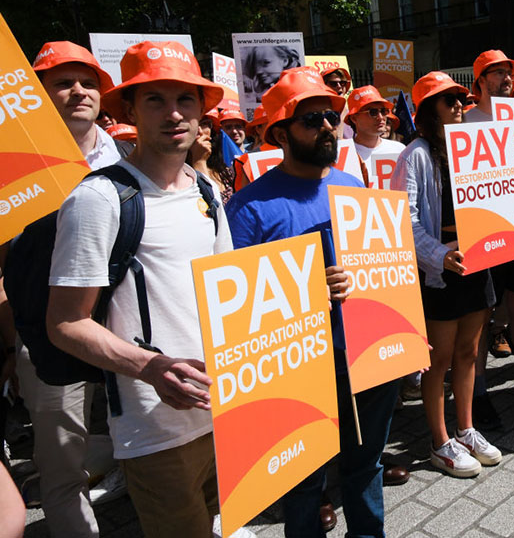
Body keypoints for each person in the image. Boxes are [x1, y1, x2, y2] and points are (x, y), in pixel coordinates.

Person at [45, 40, 231, 538]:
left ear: (202, 111)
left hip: (226, 411)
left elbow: (229, 290)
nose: (174, 113)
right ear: (129, 110)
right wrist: (151, 368)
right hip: (156, 428)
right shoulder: (98, 199)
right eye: (155, 100)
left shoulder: (208, 191)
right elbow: (65, 323)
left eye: (185, 99)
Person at [227, 66, 402, 535]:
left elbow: (383, 269)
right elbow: (238, 309)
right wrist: (306, 292)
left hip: (364, 356)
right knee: (303, 483)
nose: (327, 125)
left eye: (330, 116)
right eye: (312, 119)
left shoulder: (352, 186)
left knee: (366, 465)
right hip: (297, 371)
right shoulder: (247, 210)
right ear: (281, 134)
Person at [11, 41, 126, 538]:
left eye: (88, 82)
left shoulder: (130, 154)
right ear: (37, 95)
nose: (79, 91)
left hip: (127, 331)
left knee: (150, 446)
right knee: (61, 467)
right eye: (63, 82)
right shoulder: (11, 169)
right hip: (47, 339)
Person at [391, 71, 502, 477]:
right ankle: (440, 443)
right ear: (428, 110)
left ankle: (466, 429)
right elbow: (405, 221)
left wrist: (509, 214)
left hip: (476, 262)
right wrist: (439, 255)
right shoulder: (414, 155)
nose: (459, 106)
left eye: (461, 99)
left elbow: (493, 196)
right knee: (438, 360)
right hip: (441, 270)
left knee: (469, 352)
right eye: (449, 100)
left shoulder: (472, 146)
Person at [465, 49, 514, 424]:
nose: (507, 78)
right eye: (497, 73)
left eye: (509, 72)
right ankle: (477, 394)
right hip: (485, 233)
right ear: (480, 81)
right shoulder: (464, 122)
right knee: (481, 316)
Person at [346, 85, 405, 186]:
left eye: (383, 111)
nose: (381, 117)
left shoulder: (400, 150)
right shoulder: (343, 153)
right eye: (373, 112)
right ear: (354, 118)